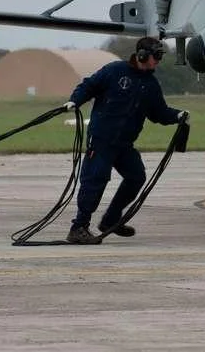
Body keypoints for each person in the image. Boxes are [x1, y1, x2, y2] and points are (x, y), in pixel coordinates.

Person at [63, 36, 188, 245]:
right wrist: (74, 101)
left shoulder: (150, 84)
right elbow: (89, 86)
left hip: (124, 144)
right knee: (95, 180)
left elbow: (158, 113)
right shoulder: (114, 71)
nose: (158, 60)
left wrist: (177, 116)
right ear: (142, 55)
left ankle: (111, 220)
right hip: (102, 140)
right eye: (155, 56)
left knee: (136, 176)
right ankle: (79, 227)